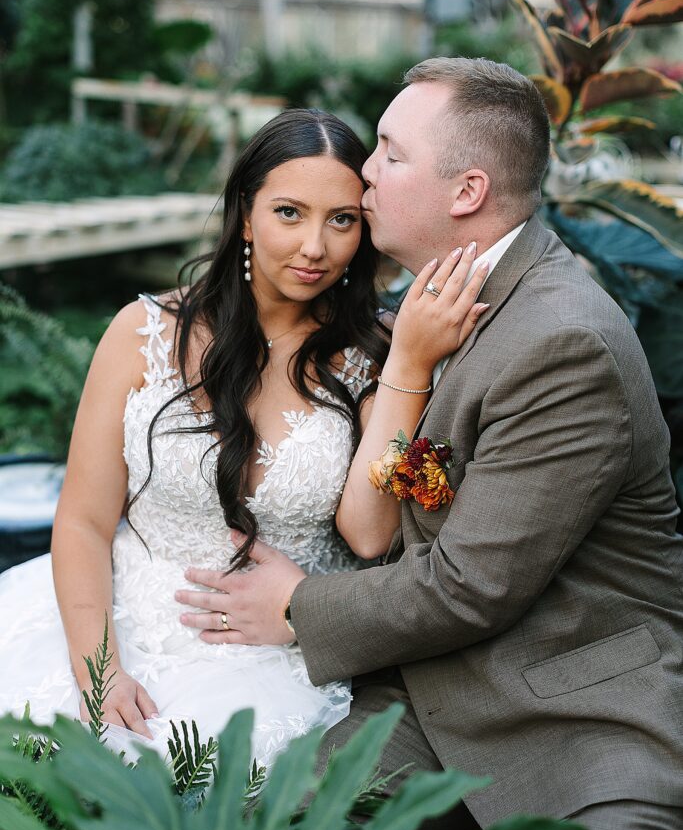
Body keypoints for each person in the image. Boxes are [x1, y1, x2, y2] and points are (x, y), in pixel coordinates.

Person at [178, 59, 683, 830]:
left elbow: (470, 586)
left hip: (576, 724)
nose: (364, 171)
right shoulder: (426, 307)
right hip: (424, 703)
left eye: (388, 151)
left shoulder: (561, 343)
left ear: (465, 191)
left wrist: (295, 608)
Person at [0, 107, 488, 766]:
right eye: (289, 212)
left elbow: (370, 534)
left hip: (268, 657)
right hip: (113, 620)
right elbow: (84, 520)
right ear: (246, 211)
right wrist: (99, 671)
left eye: (340, 219)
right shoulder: (141, 334)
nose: (314, 246)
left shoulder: (375, 359)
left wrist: (406, 366)